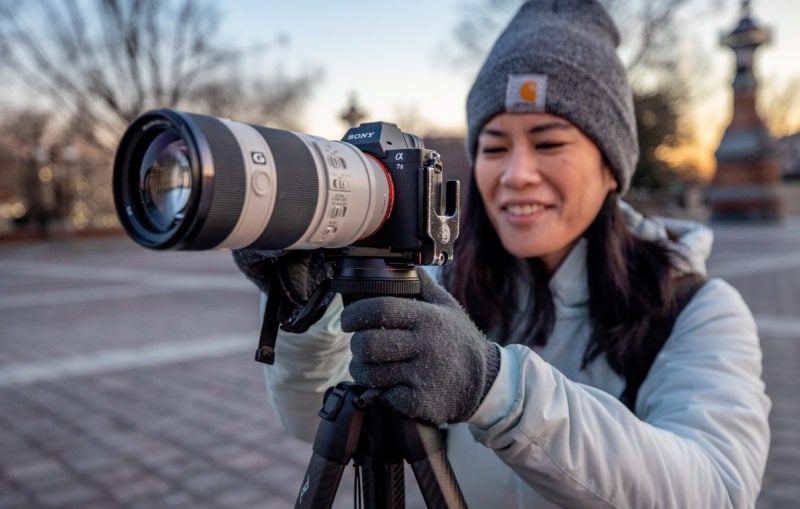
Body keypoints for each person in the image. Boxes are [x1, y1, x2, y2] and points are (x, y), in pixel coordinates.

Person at [233, 0, 771, 506]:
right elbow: (313, 422)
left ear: (612, 167)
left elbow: (719, 490)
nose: (516, 175)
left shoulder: (697, 309)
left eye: (549, 142)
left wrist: (495, 389)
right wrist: (309, 312)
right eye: (493, 147)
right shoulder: (439, 283)